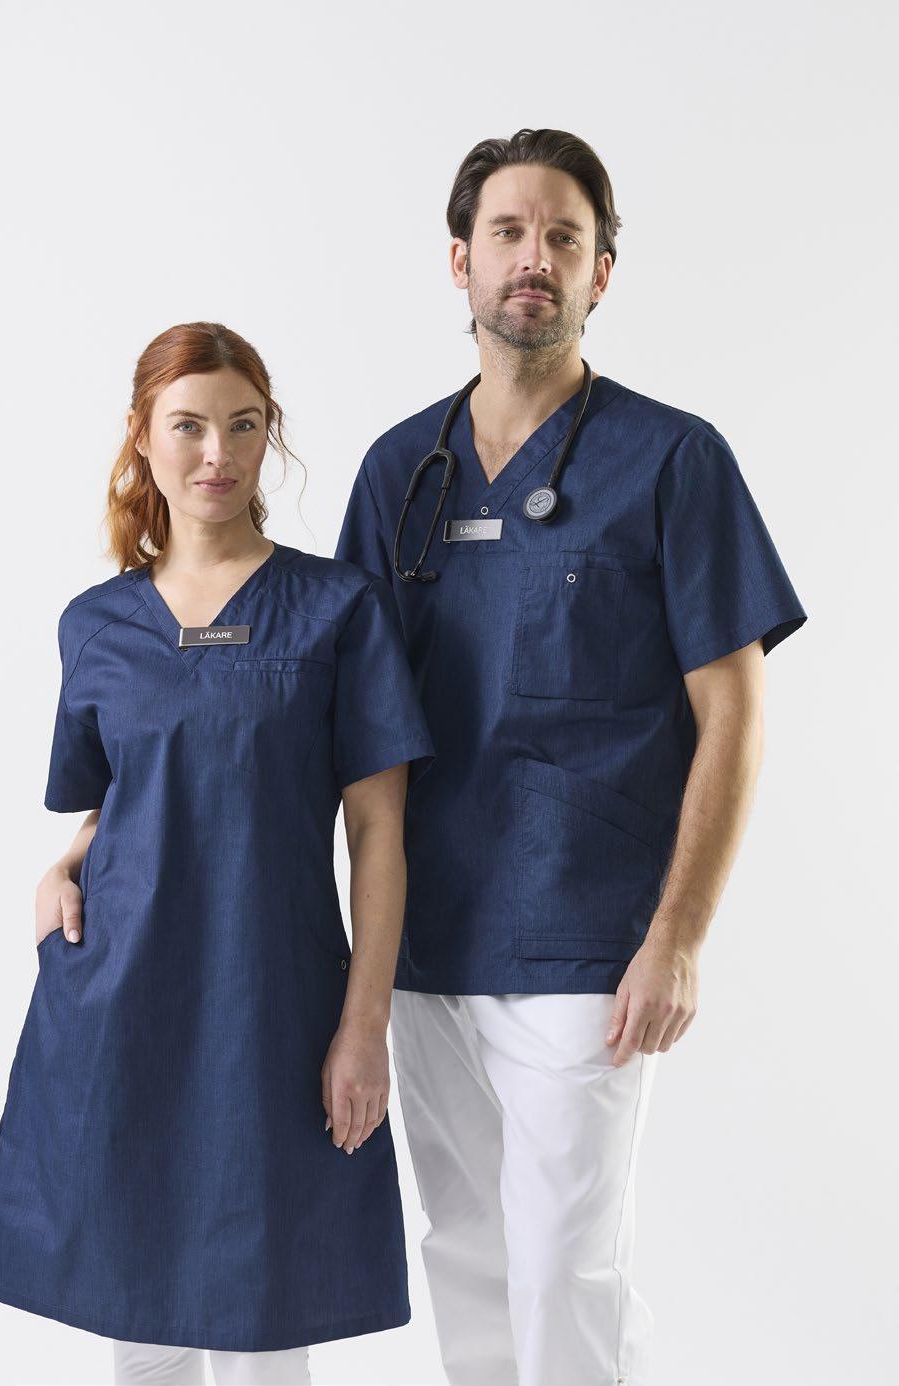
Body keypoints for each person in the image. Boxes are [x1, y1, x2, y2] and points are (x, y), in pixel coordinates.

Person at [334, 128, 808, 1386]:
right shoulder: (400, 473)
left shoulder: (672, 461)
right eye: (506, 232)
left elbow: (734, 715)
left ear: (602, 271)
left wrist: (679, 936)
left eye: (562, 236)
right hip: (424, 941)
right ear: (459, 260)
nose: (532, 258)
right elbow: (339, 726)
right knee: (468, 1257)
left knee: (561, 1267)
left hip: (585, 940)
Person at [0, 322, 435, 1386]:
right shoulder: (96, 624)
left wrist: (363, 1025)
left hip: (269, 1003)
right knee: (138, 1307)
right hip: (122, 998)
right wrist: (65, 865)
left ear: (270, 435)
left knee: (266, 1312)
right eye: (187, 426)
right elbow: (119, 799)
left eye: (242, 425)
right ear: (142, 436)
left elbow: (378, 832)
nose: (216, 454)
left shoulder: (336, 609)